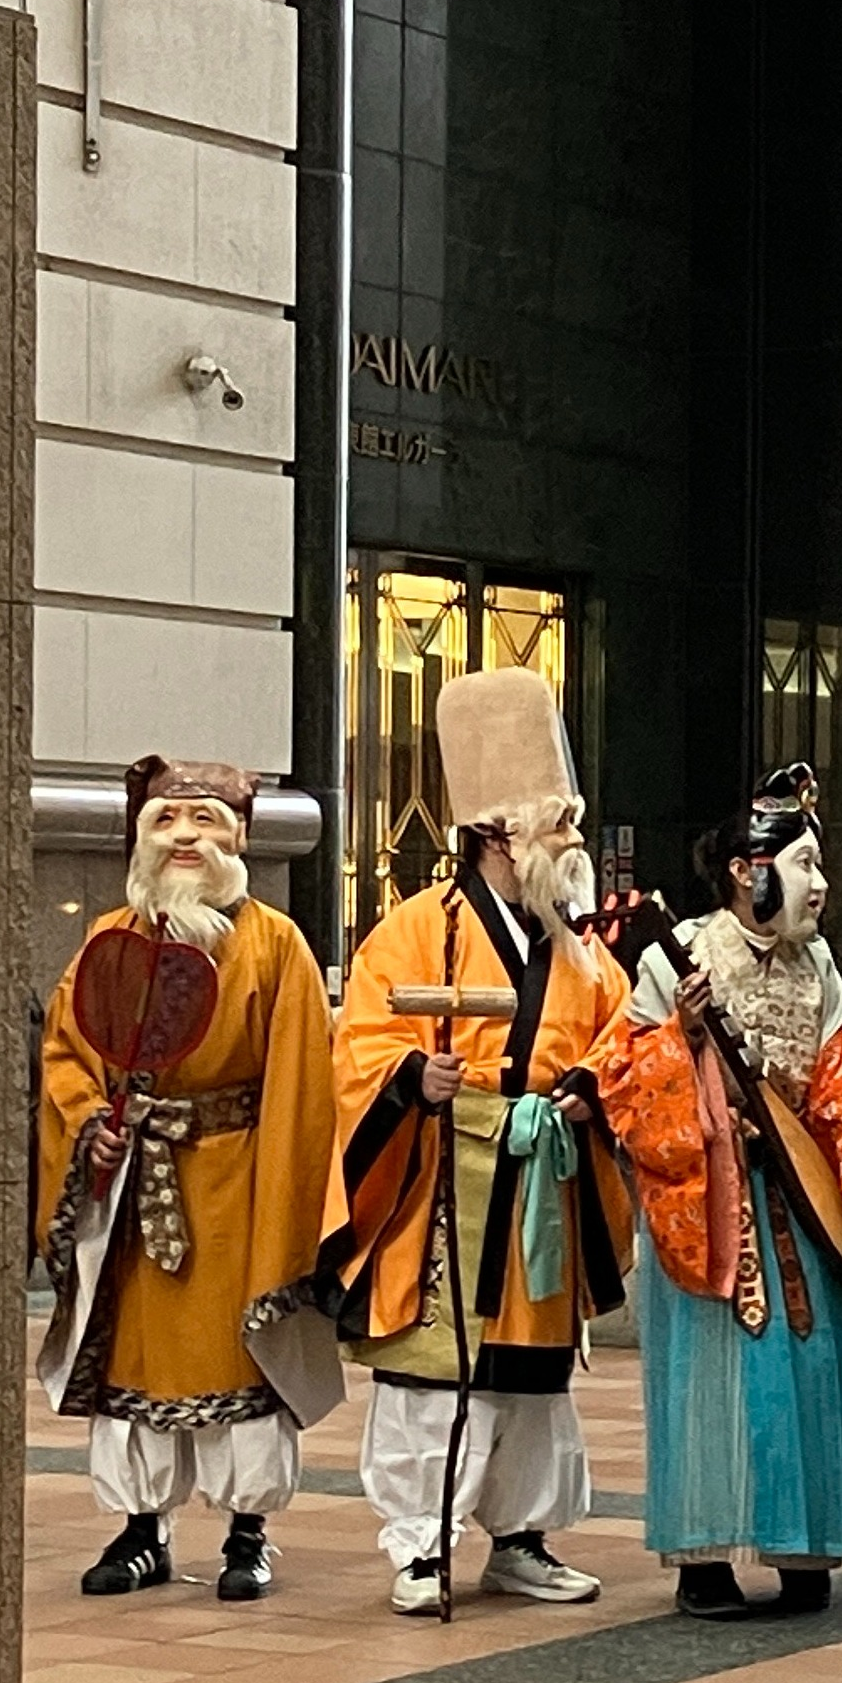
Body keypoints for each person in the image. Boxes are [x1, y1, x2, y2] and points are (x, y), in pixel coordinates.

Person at [325, 668, 636, 1617]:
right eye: (560, 825)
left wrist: (592, 1091)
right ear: (498, 834)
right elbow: (364, 1044)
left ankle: (520, 1536)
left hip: (545, 1170)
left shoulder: (576, 948)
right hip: (444, 1183)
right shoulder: (416, 932)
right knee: (433, 1379)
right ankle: (420, 1546)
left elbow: (623, 1039)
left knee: (531, 1383)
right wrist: (413, 1078)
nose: (574, 842)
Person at [600, 765, 842, 1619]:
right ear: (747, 869)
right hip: (711, 1200)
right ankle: (702, 1557)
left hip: (805, 1203)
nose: (821, 884)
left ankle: (804, 1547)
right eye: (806, 863)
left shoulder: (821, 968)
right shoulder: (681, 955)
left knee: (811, 1365)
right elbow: (620, 1078)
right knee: (713, 1376)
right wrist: (682, 1034)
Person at [35, 758, 341, 1601]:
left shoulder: (276, 945)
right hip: (134, 1182)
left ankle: (249, 1530)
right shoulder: (108, 939)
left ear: (238, 837)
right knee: (132, 1356)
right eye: (167, 822)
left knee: (242, 1356)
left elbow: (304, 1084)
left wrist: (286, 1211)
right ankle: (141, 1529)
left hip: (239, 1181)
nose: (185, 838)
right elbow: (67, 1054)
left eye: (204, 821)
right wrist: (91, 1122)